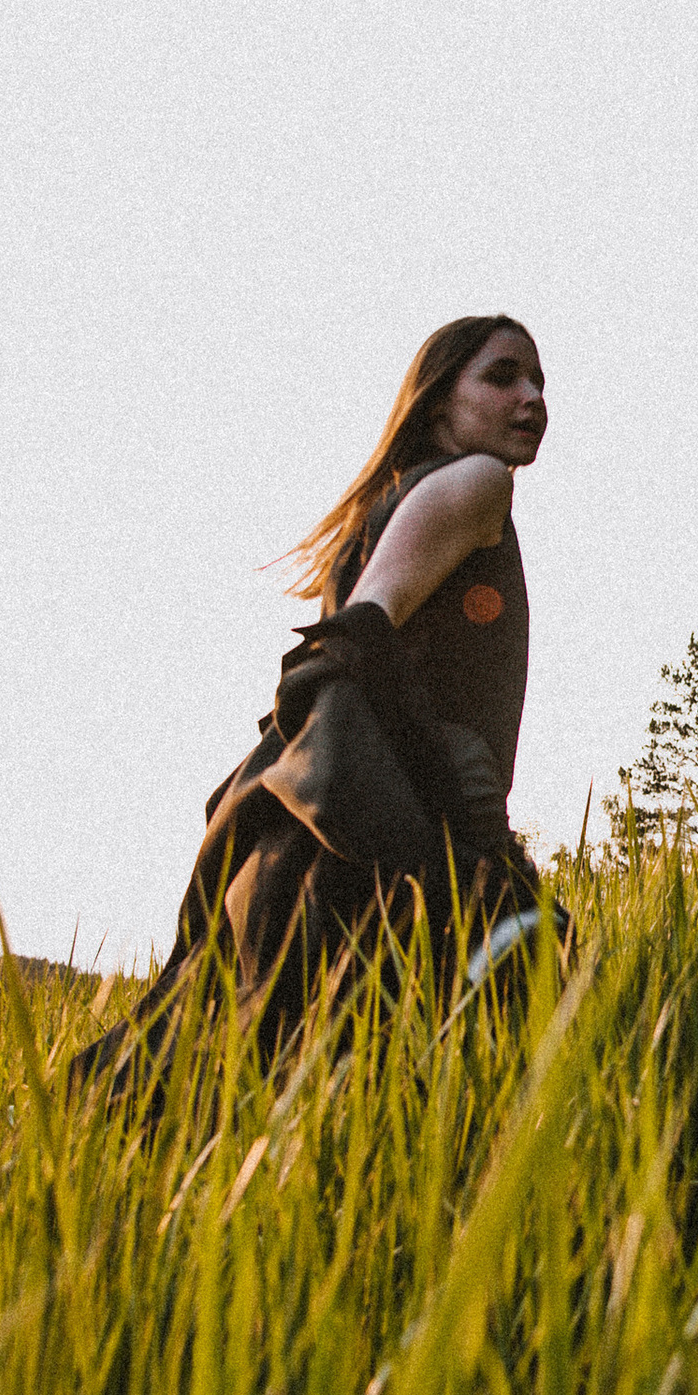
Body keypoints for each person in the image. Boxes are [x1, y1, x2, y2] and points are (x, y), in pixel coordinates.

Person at [78, 314, 551, 1085]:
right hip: (382, 841)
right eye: (502, 377)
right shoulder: (476, 481)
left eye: (539, 382)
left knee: (240, 1078)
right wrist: (461, 808)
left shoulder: (394, 503)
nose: (531, 398)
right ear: (437, 404)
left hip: (330, 834)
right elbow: (359, 637)